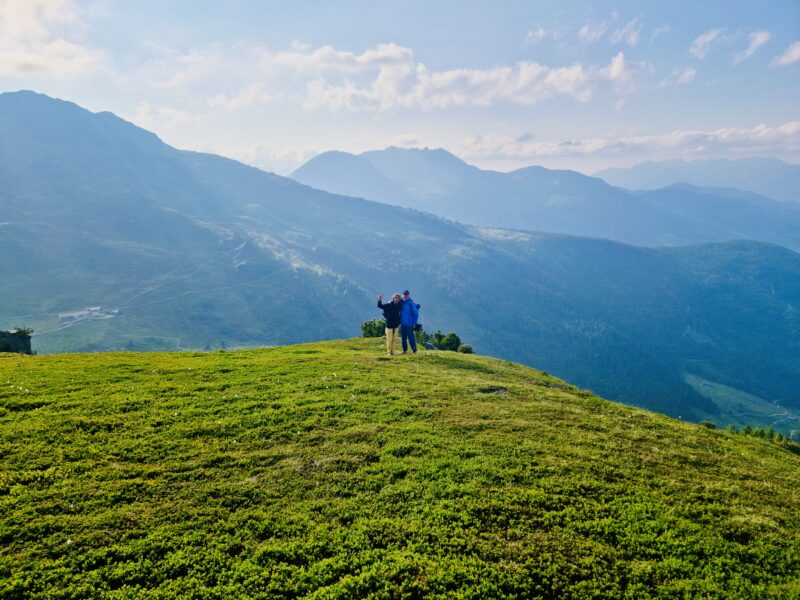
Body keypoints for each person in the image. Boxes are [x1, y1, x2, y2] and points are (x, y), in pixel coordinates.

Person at [399, 289, 419, 354]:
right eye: (404, 294)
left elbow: (416, 314)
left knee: (411, 338)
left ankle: (414, 351)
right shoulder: (401, 302)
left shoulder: (411, 303)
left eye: (406, 294)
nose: (405, 296)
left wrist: (414, 323)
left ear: (408, 295)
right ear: (402, 295)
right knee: (403, 338)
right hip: (402, 324)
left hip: (409, 324)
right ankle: (404, 351)